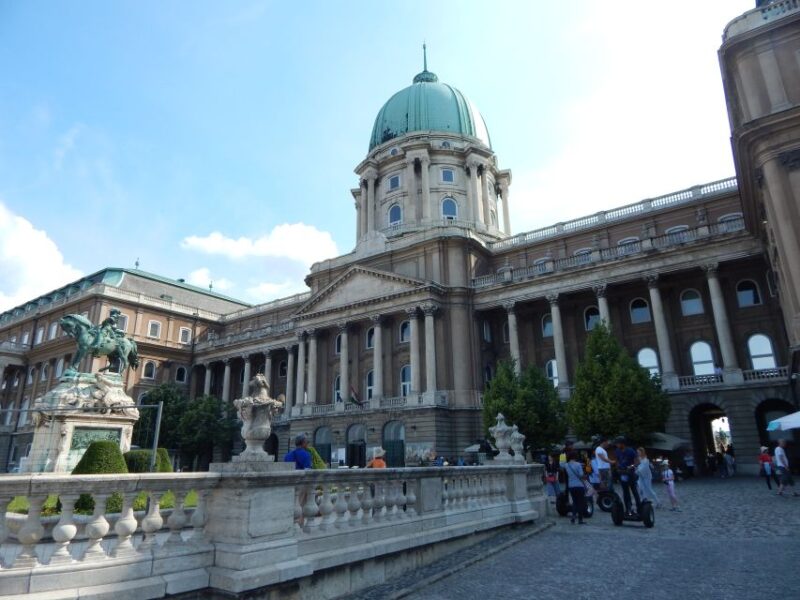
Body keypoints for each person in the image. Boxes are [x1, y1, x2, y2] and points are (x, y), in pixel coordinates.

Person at [614, 436, 641, 515]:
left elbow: (637, 462)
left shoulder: (630, 451)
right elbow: (617, 461)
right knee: (625, 492)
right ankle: (628, 509)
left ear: (622, 443)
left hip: (630, 473)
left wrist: (631, 466)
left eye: (618, 443)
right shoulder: (617, 451)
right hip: (622, 473)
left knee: (634, 491)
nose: (617, 445)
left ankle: (639, 508)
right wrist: (617, 467)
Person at [564, 450, 588, 524]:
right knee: (580, 502)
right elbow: (581, 475)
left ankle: (573, 516)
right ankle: (580, 519)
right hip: (579, 486)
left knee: (574, 502)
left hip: (571, 486)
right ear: (575, 456)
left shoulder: (566, 465)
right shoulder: (578, 464)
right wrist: (585, 476)